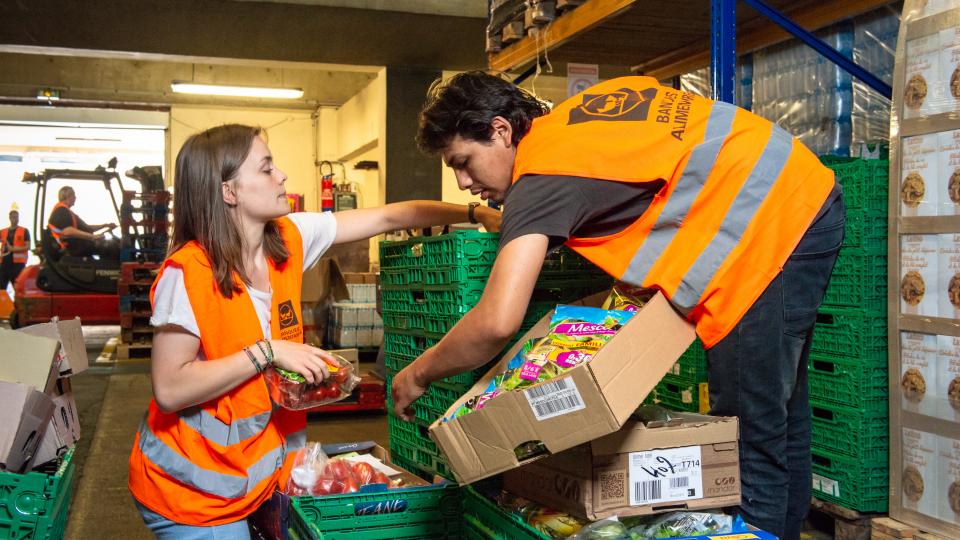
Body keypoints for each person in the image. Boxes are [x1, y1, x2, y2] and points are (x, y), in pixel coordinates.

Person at [391, 72, 844, 540]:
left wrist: (418, 374)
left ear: (502, 130)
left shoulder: (540, 176)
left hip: (770, 225)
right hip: (799, 194)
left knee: (750, 432)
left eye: (464, 161)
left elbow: (497, 320)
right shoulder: (573, 122)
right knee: (779, 410)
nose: (465, 182)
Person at [127, 123, 499, 538]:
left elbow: (392, 215)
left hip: (258, 479)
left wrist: (472, 213)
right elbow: (171, 388)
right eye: (266, 168)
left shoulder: (286, 239)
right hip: (195, 492)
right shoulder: (189, 274)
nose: (281, 175)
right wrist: (267, 352)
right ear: (229, 191)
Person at [47, 185, 117, 257]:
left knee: (104, 244)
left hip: (74, 245)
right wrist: (92, 237)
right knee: (111, 247)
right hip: (69, 248)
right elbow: (67, 231)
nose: (75, 198)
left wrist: (105, 225)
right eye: (74, 195)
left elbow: (86, 228)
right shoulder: (61, 211)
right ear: (69, 196)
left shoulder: (67, 211)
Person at [0, 210, 30, 289]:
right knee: (1, 289)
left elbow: (28, 247)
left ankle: (17, 301)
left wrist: (13, 249)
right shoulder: (2, 232)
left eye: (17, 217)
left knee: (18, 288)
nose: (15, 219)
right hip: (4, 264)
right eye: (13, 217)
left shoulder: (24, 231)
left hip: (18, 265)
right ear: (9, 218)